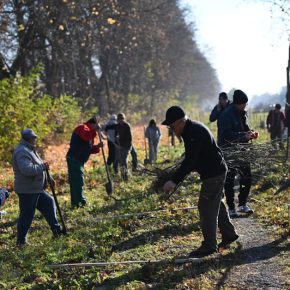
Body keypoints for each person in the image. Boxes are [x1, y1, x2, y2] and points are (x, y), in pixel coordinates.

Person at [162, 106, 238, 258]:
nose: (171, 129)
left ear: (180, 122)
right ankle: (229, 234)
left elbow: (190, 160)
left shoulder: (194, 132)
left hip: (214, 173)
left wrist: (174, 181)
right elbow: (193, 157)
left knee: (206, 206)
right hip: (215, 171)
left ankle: (210, 245)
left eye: (171, 126)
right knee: (216, 203)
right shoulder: (189, 130)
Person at [12, 129, 63, 246]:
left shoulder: (30, 150)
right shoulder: (22, 151)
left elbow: (40, 166)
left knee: (49, 202)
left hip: (36, 189)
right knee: (27, 215)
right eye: (32, 138)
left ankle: (56, 230)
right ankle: (20, 242)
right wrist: (42, 167)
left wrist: (49, 178)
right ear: (27, 139)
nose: (34, 139)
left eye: (35, 137)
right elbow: (27, 170)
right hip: (27, 190)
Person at [218, 90, 259, 218]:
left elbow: (244, 128)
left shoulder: (242, 114)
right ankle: (231, 208)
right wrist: (243, 135)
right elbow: (225, 135)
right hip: (229, 152)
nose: (245, 106)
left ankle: (242, 204)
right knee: (229, 180)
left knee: (247, 177)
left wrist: (250, 133)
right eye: (244, 104)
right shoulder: (226, 115)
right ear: (237, 103)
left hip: (242, 151)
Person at [66, 117, 103, 208]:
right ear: (92, 124)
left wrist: (97, 146)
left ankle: (76, 203)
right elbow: (86, 137)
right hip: (74, 159)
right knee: (78, 181)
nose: (96, 127)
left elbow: (87, 148)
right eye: (95, 125)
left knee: (77, 181)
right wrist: (95, 130)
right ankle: (80, 203)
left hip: (78, 160)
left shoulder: (89, 131)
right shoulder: (82, 128)